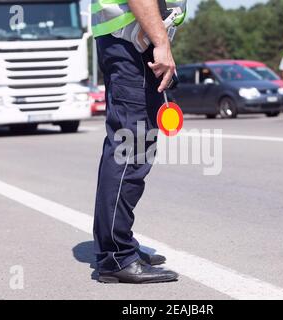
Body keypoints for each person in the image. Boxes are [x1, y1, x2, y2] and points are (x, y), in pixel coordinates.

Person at [91, 0, 186, 284]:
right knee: (130, 147)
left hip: (133, 37)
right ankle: (116, 255)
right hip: (132, 39)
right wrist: (160, 42)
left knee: (133, 145)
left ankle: (117, 246)